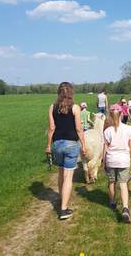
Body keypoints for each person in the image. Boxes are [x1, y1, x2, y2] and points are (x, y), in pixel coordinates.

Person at [45, 82, 87, 220]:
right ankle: (63, 209)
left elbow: (51, 128)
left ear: (58, 93)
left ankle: (62, 199)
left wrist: (48, 146)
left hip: (57, 144)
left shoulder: (52, 107)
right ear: (71, 93)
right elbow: (79, 129)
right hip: (71, 145)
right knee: (69, 177)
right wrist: (84, 145)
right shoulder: (75, 108)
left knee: (61, 173)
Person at [103, 104, 131, 223]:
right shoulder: (129, 129)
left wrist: (103, 161)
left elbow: (105, 148)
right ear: (122, 114)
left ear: (110, 115)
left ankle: (112, 202)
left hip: (111, 160)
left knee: (112, 182)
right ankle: (125, 208)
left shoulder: (107, 131)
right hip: (124, 161)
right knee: (123, 184)